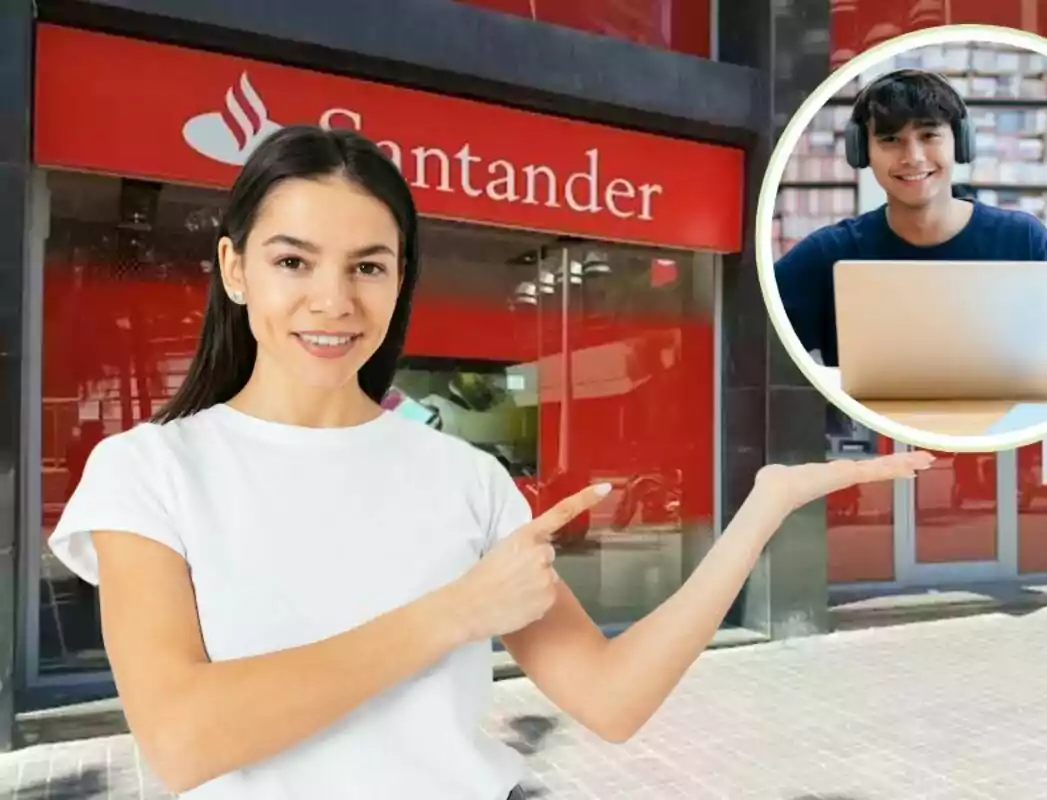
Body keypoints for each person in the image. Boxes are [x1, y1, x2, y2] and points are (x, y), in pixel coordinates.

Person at [48, 125, 933, 800]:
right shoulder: (149, 472)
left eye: (368, 266)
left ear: (400, 282)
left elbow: (611, 700)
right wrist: (454, 614)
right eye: (293, 261)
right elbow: (181, 738)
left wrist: (764, 510)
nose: (333, 299)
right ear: (235, 271)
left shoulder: (464, 480)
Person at [775, 68, 1047, 372]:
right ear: (861, 152)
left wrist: (998, 363)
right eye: (890, 140)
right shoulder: (828, 253)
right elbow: (753, 341)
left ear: (960, 143)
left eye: (929, 135)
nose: (913, 157)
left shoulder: (1023, 239)